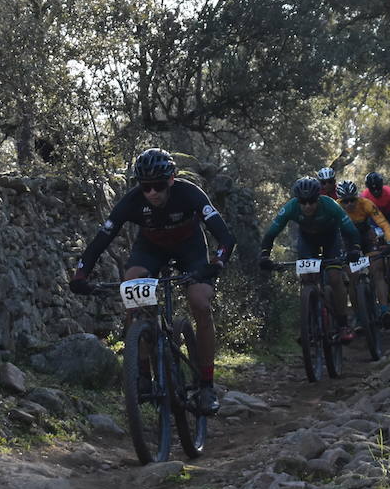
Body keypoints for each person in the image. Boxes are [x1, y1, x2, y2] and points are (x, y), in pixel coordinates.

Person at [70, 148, 235, 415]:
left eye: (158, 185)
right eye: (146, 187)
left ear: (171, 180)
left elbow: (225, 238)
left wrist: (216, 264)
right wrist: (80, 274)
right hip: (151, 249)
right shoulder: (133, 201)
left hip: (189, 248)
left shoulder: (190, 193)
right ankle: (143, 373)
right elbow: (102, 239)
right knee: (132, 286)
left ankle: (206, 385)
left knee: (200, 302)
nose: (152, 193)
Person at [258, 176, 362, 343]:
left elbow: (351, 230)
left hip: (331, 239)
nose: (307, 206)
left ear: (318, 198)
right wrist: (264, 254)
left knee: (335, 278)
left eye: (312, 201)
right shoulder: (291, 207)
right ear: (298, 200)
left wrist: (355, 249)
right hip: (307, 241)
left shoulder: (330, 205)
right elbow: (271, 233)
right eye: (303, 202)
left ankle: (343, 325)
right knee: (307, 279)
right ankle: (310, 324)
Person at [336, 179, 390, 327]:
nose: (349, 204)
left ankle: (384, 310)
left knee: (378, 270)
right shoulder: (335, 208)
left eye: (352, 200)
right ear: (340, 201)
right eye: (345, 201)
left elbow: (384, 224)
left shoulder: (366, 204)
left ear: (357, 197)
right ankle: (359, 316)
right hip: (347, 241)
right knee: (352, 278)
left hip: (366, 238)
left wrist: (389, 242)